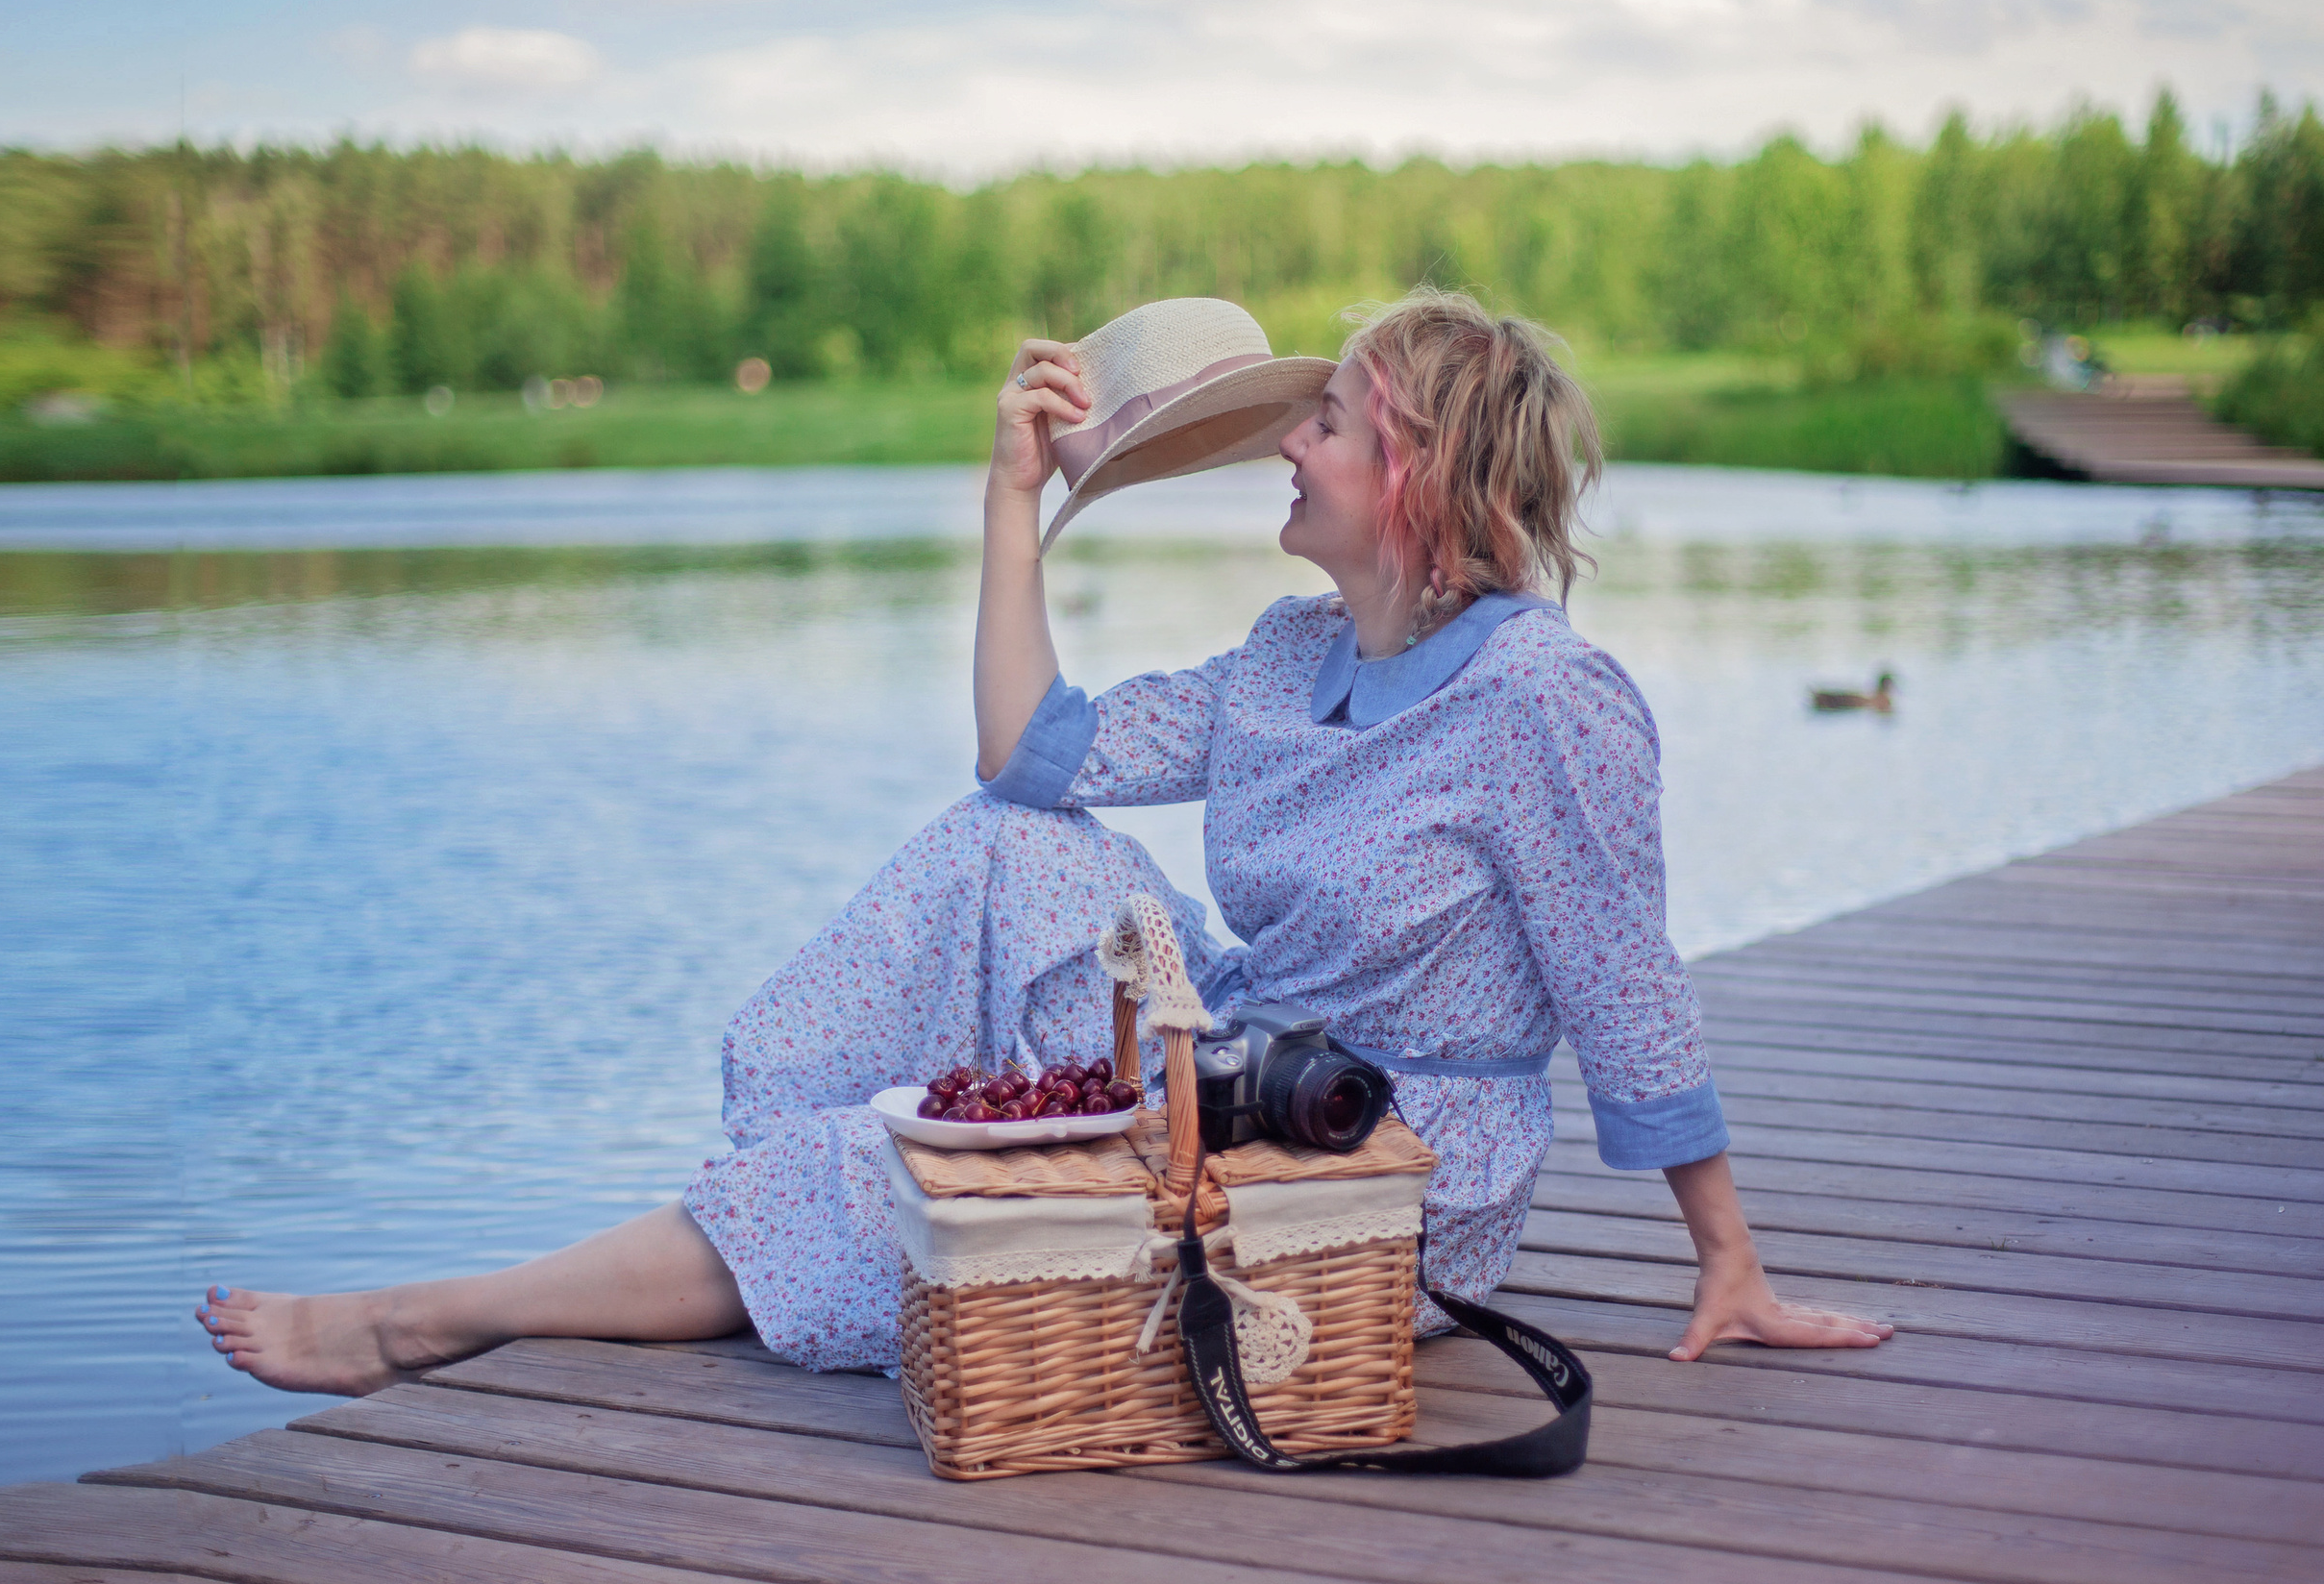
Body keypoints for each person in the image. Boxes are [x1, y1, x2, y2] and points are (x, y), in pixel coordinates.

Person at [196, 291, 1891, 1394]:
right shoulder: (1286, 661)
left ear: (1417, 468)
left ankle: (440, 1314)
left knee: (910, 1180)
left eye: (1324, 420)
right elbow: (1028, 760)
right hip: (1236, 1059)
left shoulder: (1548, 697)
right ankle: (823, 1174)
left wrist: (1728, 1263)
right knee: (1002, 847)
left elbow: (1625, 985)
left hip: (1390, 1155)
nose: (1283, 448)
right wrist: (1011, 503)